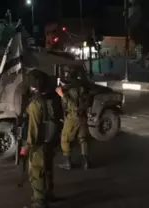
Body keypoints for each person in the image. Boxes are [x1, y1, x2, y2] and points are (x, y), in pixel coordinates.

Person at [21, 70, 56, 208]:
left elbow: (33, 129)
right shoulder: (51, 98)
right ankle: (49, 195)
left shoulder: (36, 104)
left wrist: (27, 146)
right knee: (47, 170)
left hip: (39, 145)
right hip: (50, 141)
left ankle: (39, 202)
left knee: (37, 172)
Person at [55, 67, 90, 171]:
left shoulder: (72, 90)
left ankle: (67, 163)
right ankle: (86, 162)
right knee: (83, 138)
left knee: (65, 139)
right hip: (82, 117)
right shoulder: (82, 87)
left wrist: (62, 95)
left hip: (73, 117)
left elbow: (74, 106)